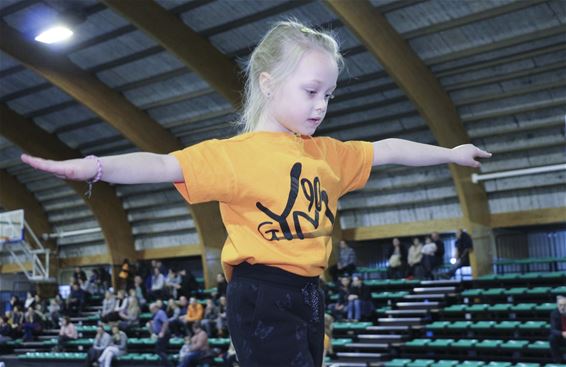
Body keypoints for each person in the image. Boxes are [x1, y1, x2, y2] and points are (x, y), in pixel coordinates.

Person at [20, 20, 491, 366]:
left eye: (328, 94)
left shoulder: (328, 154)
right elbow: (163, 165)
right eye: (310, 91)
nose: (321, 105)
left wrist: (449, 153)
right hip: (262, 291)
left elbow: (388, 150)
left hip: (310, 291)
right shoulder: (236, 155)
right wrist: (94, 167)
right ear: (268, 84)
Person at [147, 302, 171, 367]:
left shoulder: (161, 312)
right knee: (160, 351)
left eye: (151, 309)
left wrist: (162, 332)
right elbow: (151, 323)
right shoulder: (154, 314)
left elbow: (165, 322)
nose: (150, 311)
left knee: (159, 351)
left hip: (164, 334)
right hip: (158, 334)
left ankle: (169, 365)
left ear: (155, 308)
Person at [550, 295, 566, 363]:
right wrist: (562, 333)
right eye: (560, 305)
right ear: (557, 305)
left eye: (564, 305)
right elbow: (553, 330)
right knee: (552, 338)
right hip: (561, 337)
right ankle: (557, 360)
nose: (562, 307)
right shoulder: (554, 313)